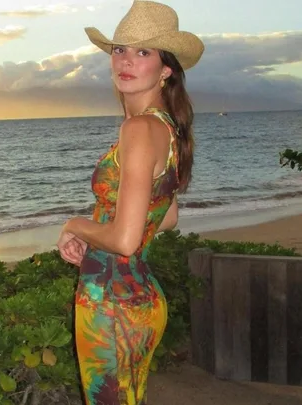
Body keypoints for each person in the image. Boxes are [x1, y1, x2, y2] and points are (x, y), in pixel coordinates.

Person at [56, 1, 204, 403]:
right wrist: (98, 234)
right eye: (120, 49)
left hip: (110, 305)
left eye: (143, 52)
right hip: (140, 301)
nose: (126, 61)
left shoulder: (139, 129)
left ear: (166, 68)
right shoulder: (168, 129)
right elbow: (167, 217)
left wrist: (75, 225)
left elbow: (125, 240)